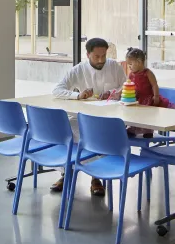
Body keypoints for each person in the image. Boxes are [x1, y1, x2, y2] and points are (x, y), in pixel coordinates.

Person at [50, 38, 126, 196]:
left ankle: (96, 177)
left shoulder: (114, 67)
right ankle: (67, 172)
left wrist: (117, 93)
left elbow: (126, 86)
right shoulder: (78, 70)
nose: (100, 60)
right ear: (87, 54)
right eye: (96, 57)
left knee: (101, 135)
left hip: (109, 117)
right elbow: (57, 90)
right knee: (69, 130)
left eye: (103, 56)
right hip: (83, 117)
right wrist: (78, 95)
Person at [107, 47, 174, 137]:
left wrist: (156, 96)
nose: (129, 67)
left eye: (130, 64)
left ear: (139, 62)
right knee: (135, 115)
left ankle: (148, 130)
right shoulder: (131, 74)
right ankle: (134, 128)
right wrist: (119, 94)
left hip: (148, 98)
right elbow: (127, 85)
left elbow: (154, 85)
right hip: (137, 98)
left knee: (147, 116)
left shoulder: (148, 73)